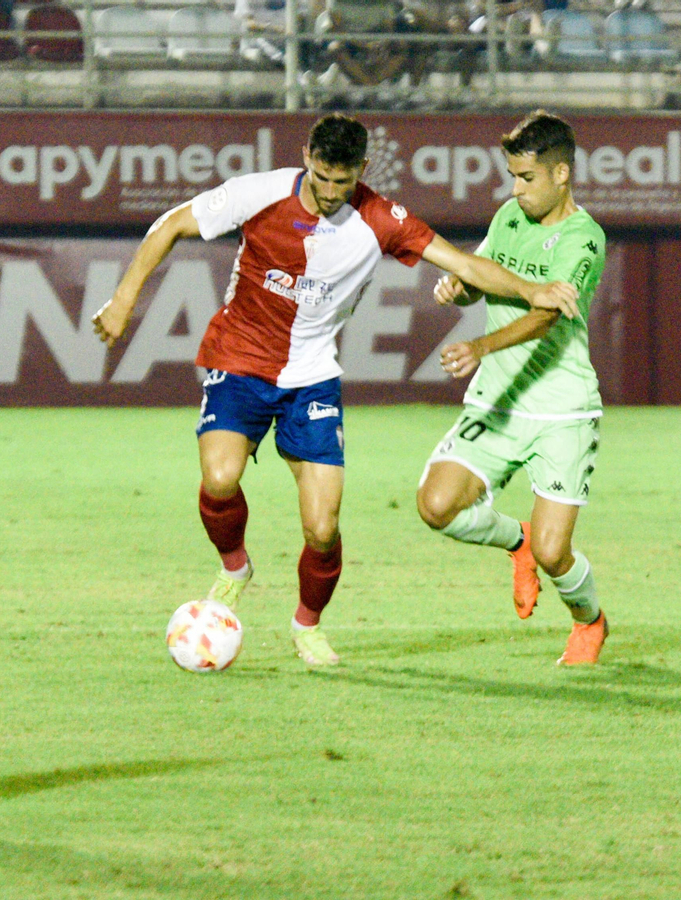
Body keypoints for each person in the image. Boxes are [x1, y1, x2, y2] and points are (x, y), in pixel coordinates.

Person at [93, 113, 578, 667]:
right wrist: (125, 300)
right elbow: (173, 223)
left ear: (362, 172)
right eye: (320, 178)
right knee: (220, 477)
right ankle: (234, 567)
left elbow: (464, 263)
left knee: (322, 528)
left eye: (341, 183)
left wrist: (532, 290)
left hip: (313, 376)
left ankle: (307, 625)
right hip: (240, 357)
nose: (327, 194)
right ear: (306, 157)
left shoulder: (380, 218)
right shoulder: (261, 193)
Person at [414, 111, 609, 666]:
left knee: (556, 553)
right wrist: (462, 287)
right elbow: (489, 277)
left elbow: (548, 313)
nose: (516, 189)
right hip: (497, 401)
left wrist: (480, 348)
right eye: (512, 177)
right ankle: (514, 541)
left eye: (527, 178)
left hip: (562, 410)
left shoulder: (584, 238)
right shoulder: (509, 217)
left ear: (561, 175)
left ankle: (589, 622)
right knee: (437, 506)